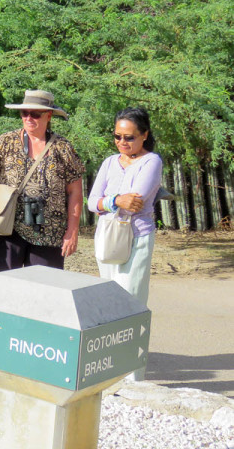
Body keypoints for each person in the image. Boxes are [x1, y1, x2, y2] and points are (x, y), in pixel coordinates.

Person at [0, 90, 85, 273]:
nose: (29, 118)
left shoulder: (63, 148)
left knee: (44, 292)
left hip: (49, 232)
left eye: (35, 114)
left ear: (48, 115)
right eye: (25, 113)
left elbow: (75, 192)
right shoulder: (5, 142)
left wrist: (72, 232)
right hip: (6, 228)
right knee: (3, 289)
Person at [88, 108, 162, 375]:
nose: (122, 142)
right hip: (108, 237)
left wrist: (107, 202)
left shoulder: (151, 161)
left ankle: (133, 377)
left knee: (131, 304)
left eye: (129, 137)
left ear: (144, 135)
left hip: (136, 237)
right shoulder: (110, 162)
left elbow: (136, 202)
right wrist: (116, 200)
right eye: (117, 136)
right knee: (108, 303)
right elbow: (91, 203)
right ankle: (110, 371)